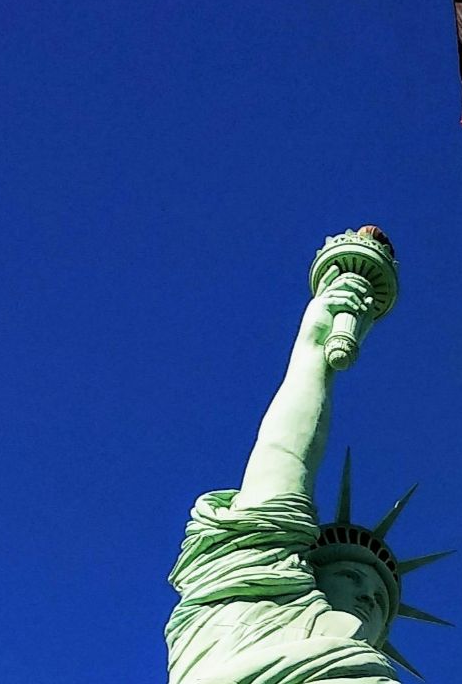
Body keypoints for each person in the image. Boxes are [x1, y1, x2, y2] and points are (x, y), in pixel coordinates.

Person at [165, 231, 447, 682]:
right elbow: (286, 455)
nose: (366, 600)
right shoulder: (249, 596)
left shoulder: (366, 673)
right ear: (310, 574)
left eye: (377, 599)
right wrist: (319, 339)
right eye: (355, 579)